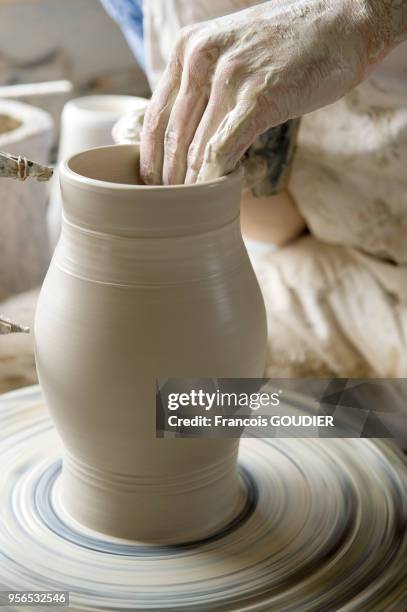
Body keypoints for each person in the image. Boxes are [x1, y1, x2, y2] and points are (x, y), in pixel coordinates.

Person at [102, 0, 407, 381]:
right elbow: (281, 228)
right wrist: (231, 174)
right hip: (345, 259)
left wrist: (363, 17)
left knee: (369, 428)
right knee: (160, 391)